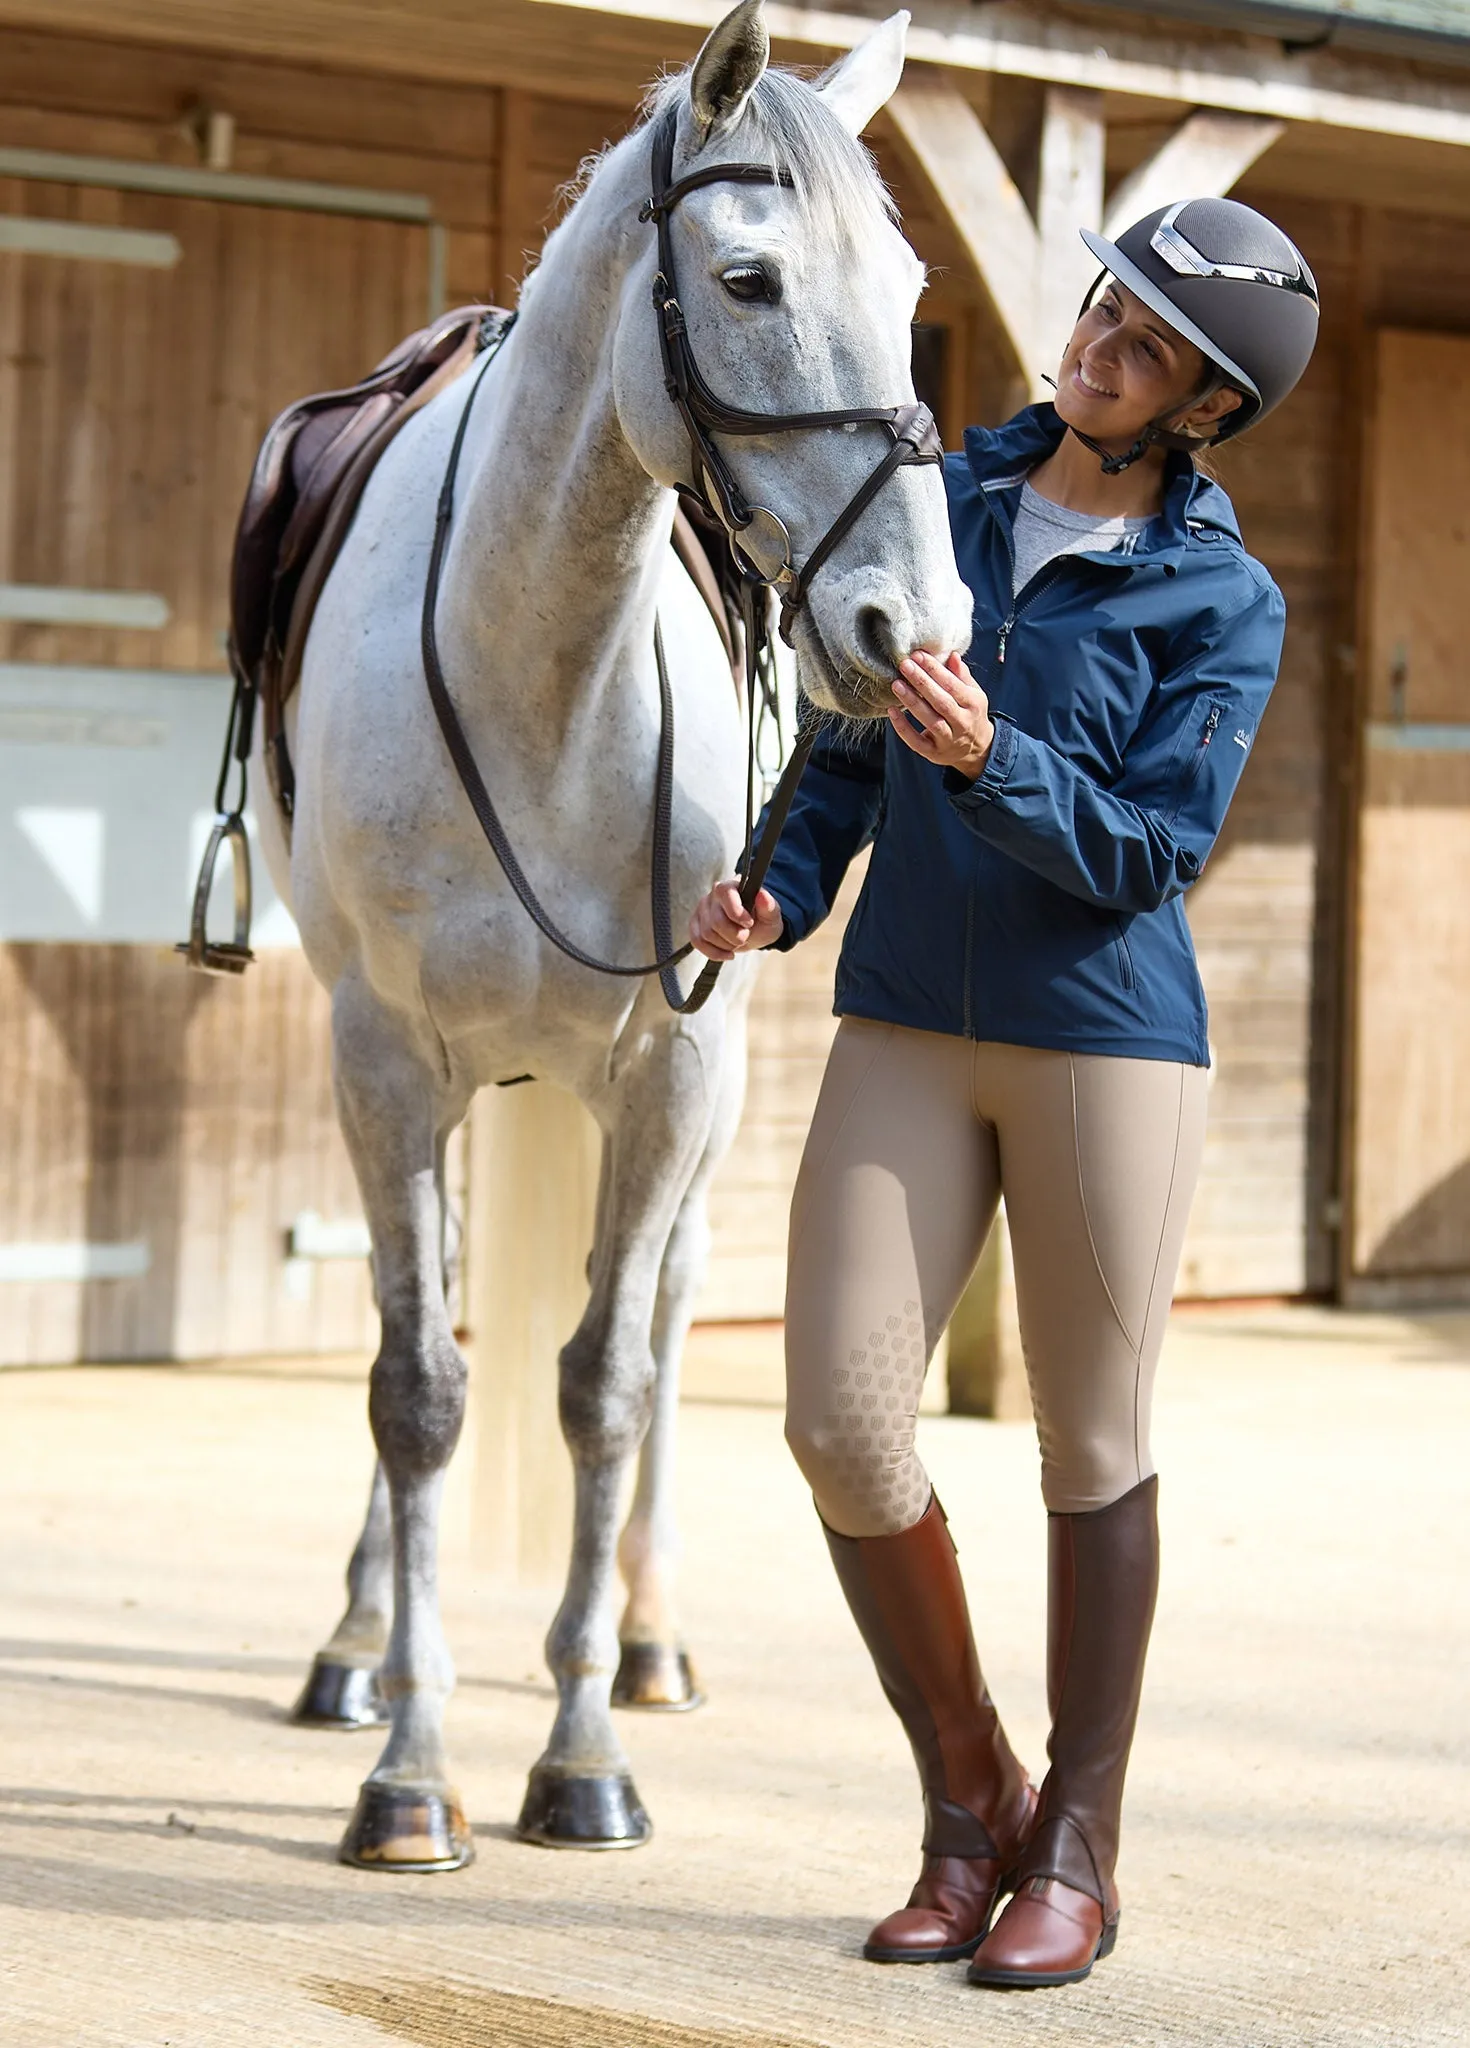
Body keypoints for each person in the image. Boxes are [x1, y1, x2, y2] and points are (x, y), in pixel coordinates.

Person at [689, 199, 1319, 1990]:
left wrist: (990, 758)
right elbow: (837, 748)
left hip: (1106, 1044)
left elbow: (1148, 851)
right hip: (899, 1017)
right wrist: (776, 891)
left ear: (1202, 409)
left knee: (1088, 1443)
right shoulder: (947, 505)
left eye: (1145, 345)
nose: (1096, 345)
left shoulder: (1223, 597)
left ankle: (1079, 1850)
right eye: (1103, 304)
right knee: (835, 1421)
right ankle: (969, 1796)